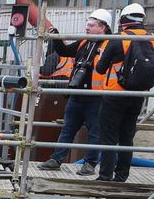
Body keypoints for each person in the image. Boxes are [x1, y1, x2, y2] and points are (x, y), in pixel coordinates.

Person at [39, 9, 112, 176]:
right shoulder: (84, 42)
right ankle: (56, 159)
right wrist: (56, 37)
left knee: (95, 132)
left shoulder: (110, 44)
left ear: (103, 28)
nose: (87, 28)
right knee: (68, 129)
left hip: (96, 96)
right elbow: (65, 51)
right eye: (87, 24)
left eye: (91, 25)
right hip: (77, 94)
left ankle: (90, 164)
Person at [95, 3, 154, 183]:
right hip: (138, 95)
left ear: (124, 19)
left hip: (115, 94)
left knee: (108, 137)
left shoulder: (118, 39)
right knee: (127, 136)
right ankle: (122, 176)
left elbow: (100, 69)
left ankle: (105, 176)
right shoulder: (153, 38)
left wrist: (101, 54)